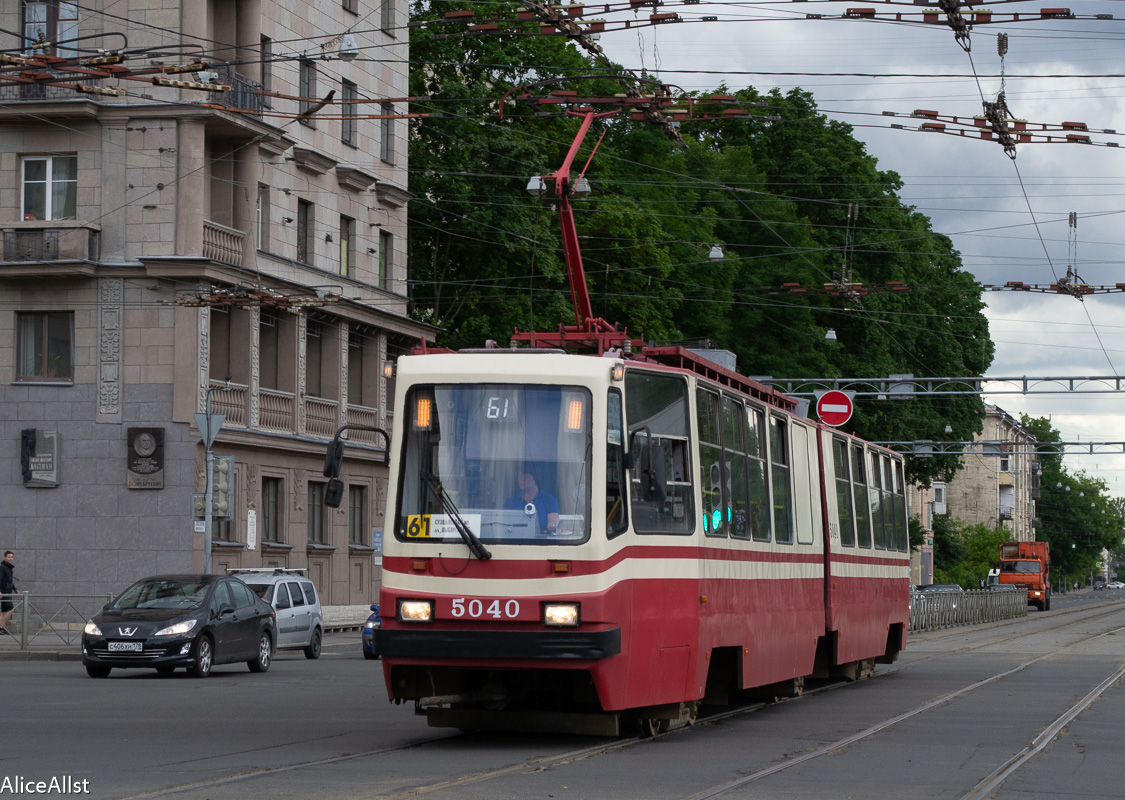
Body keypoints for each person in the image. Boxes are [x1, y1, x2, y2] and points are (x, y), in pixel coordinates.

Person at [0, 550, 18, 635]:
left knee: (4, 612)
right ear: (5, 558)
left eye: (11, 557)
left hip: (8, 591)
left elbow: (10, 580)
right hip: (4, 592)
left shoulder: (9, 567)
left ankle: (1, 628)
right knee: (11, 610)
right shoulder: (3, 567)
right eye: (9, 557)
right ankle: (1, 627)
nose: (10, 558)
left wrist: (15, 589)